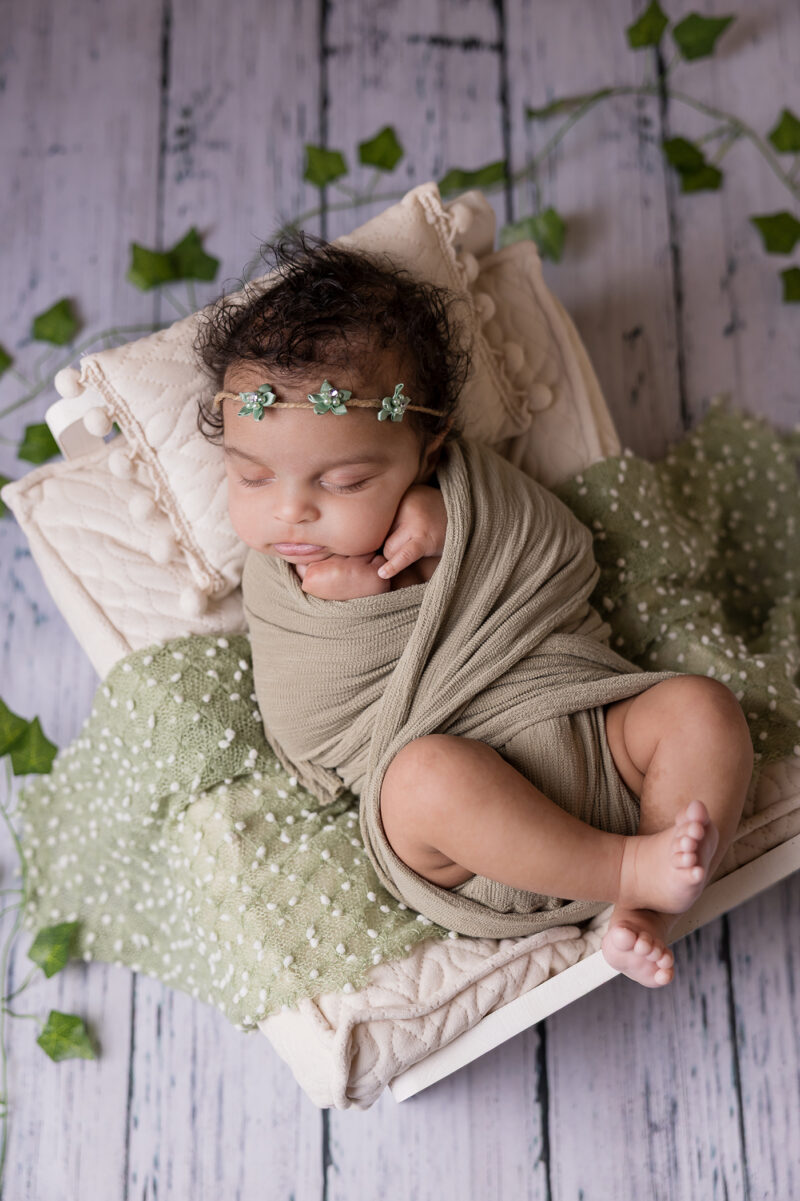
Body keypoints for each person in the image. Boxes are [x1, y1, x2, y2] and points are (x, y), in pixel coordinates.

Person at [194, 231, 754, 989]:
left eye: (348, 482)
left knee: (701, 708)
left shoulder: (470, 494)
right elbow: (308, 733)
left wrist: (459, 526)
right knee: (421, 779)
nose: (292, 514)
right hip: (472, 846)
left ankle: (643, 910)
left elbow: (561, 556)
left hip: (590, 734)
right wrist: (351, 616)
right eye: (252, 476)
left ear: (427, 451)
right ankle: (626, 867)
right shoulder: (275, 586)